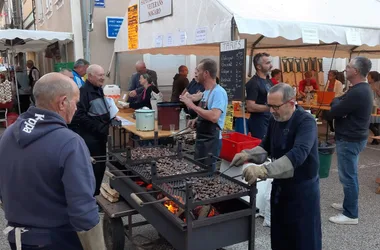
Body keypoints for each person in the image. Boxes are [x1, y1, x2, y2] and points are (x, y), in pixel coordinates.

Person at [0, 73, 100, 250]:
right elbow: (83, 208)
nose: (76, 108)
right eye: (75, 103)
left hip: (18, 238)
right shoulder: (70, 142)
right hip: (56, 239)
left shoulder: (8, 134)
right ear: (62, 102)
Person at [230, 83, 321, 250]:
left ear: (291, 103)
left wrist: (264, 170)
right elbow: (265, 147)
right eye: (269, 106)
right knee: (280, 236)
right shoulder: (275, 119)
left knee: (303, 239)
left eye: (275, 106)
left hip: (302, 190)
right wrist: (248, 154)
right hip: (281, 187)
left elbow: (298, 155)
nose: (271, 111)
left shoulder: (306, 122)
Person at [325, 57, 373, 225]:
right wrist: (337, 103)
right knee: (349, 175)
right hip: (354, 137)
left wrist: (337, 104)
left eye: (348, 66)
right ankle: (348, 204)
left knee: (348, 176)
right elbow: (338, 102)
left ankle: (351, 214)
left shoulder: (359, 91)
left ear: (356, 71)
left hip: (350, 138)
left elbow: (335, 109)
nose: (345, 69)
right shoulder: (359, 89)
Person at [180, 58, 228, 170]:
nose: (195, 74)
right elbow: (206, 112)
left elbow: (214, 116)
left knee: (206, 176)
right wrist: (196, 120)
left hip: (211, 142)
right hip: (202, 139)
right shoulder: (206, 92)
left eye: (198, 70)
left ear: (206, 73)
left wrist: (192, 105)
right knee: (198, 172)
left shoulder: (219, 92)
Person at [73, 64, 111, 196]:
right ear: (89, 76)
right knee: (93, 169)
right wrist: (99, 127)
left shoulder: (98, 89)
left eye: (103, 74)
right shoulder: (83, 92)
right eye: (99, 75)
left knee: (101, 167)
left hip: (100, 137)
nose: (103, 78)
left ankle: (96, 195)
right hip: (91, 138)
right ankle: (90, 198)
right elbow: (79, 116)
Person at [245, 52, 273, 139]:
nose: (271, 65)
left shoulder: (268, 81)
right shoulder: (253, 83)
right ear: (259, 66)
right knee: (262, 150)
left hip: (270, 119)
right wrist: (271, 108)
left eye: (270, 62)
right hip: (259, 122)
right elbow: (250, 106)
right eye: (267, 63)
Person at [368, 71, 380, 145]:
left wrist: (377, 90)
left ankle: (377, 135)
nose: (367, 77)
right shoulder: (369, 84)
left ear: (373, 77)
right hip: (372, 104)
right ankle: (376, 137)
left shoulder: (378, 84)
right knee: (373, 122)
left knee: (372, 121)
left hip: (377, 104)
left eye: (368, 76)